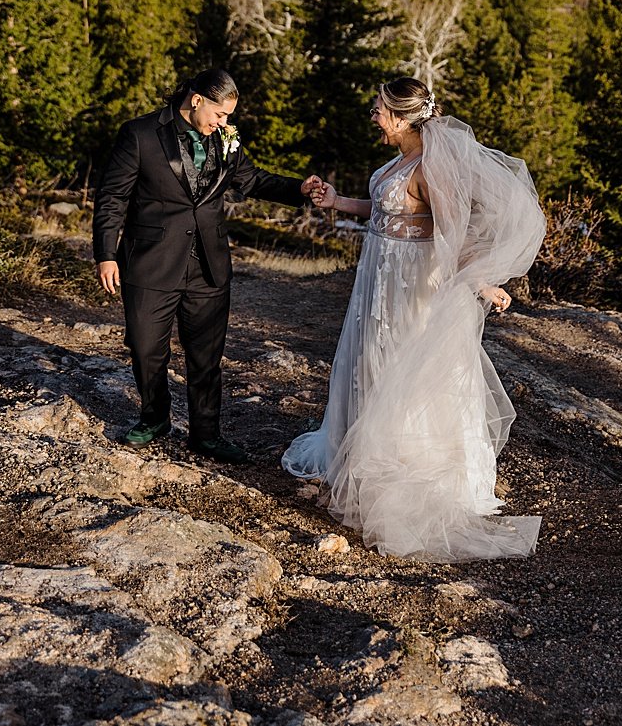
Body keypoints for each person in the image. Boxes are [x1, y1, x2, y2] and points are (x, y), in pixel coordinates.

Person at [283, 76, 546, 560]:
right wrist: (338, 202)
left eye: (380, 109)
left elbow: (452, 233)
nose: (374, 116)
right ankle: (361, 458)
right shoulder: (398, 162)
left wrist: (481, 281)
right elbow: (387, 213)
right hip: (378, 284)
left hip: (412, 289)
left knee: (404, 375)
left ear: (403, 118)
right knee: (370, 365)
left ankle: (405, 473)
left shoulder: (433, 168)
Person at [93, 69, 320, 463]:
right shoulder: (140, 134)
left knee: (206, 356)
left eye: (229, 118)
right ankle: (154, 417)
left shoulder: (225, 140)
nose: (224, 124)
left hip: (209, 266)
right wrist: (106, 253)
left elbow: (252, 179)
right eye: (221, 115)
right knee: (146, 349)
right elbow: (112, 197)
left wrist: (297, 189)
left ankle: (206, 434)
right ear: (197, 100)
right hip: (150, 263)